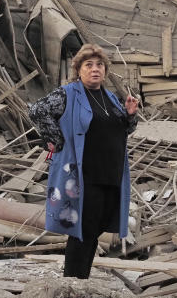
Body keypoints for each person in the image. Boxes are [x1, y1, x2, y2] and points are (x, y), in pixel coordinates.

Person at [28, 44, 140, 279]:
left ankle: (82, 280)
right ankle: (72, 282)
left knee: (95, 229)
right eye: (88, 65)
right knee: (82, 231)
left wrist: (130, 115)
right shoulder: (68, 94)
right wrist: (57, 141)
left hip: (111, 175)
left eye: (99, 65)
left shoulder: (109, 97)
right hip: (84, 176)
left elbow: (122, 131)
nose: (95, 69)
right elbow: (38, 111)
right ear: (78, 69)